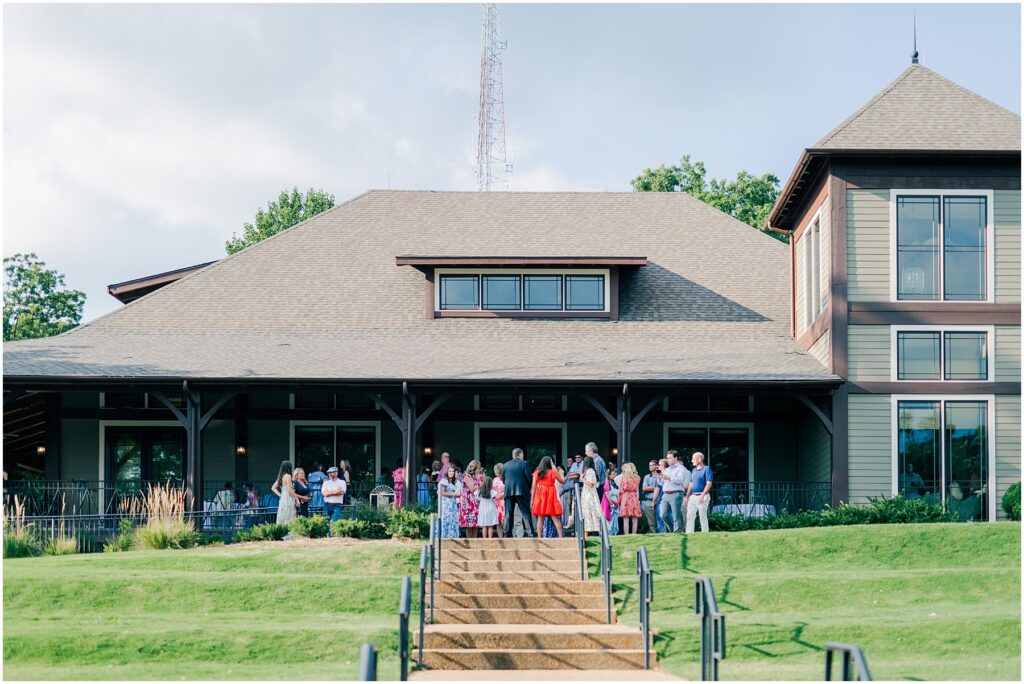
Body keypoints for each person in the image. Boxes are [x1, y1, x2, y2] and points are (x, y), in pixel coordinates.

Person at [502, 448, 536, 538]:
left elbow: (503, 480)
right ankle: (531, 534)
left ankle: (507, 534)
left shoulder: (505, 465)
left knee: (508, 514)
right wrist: (528, 489)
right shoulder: (525, 463)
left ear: (513, 455)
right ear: (520, 454)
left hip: (508, 492)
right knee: (526, 513)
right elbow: (529, 478)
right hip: (522, 491)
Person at [531, 456, 565, 537]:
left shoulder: (537, 473)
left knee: (540, 517)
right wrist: (561, 473)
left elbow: (534, 487)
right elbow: (562, 482)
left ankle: (539, 537)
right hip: (550, 495)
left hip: (540, 496)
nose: (552, 462)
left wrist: (532, 500)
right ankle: (561, 537)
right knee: (555, 517)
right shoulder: (553, 472)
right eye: (551, 461)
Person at [659, 450, 690, 533]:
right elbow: (662, 483)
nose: (668, 460)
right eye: (667, 458)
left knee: (676, 516)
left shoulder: (681, 468)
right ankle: (672, 529)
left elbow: (680, 480)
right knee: (663, 515)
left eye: (670, 458)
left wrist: (668, 478)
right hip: (665, 494)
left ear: (675, 458)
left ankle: (677, 532)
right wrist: (660, 478)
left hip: (676, 493)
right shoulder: (667, 469)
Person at [685, 452, 713, 534]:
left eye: (693, 459)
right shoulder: (693, 470)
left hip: (703, 495)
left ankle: (705, 533)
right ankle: (689, 533)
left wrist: (703, 495)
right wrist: (687, 497)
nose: (691, 460)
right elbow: (691, 484)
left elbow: (709, 484)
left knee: (702, 516)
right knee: (689, 516)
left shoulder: (706, 469)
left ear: (699, 459)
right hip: (693, 496)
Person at [459, 460, 483, 538]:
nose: (479, 469)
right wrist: (481, 486)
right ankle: (470, 540)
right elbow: (472, 488)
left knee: (475, 523)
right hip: (468, 502)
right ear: (474, 468)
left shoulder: (478, 477)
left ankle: (475, 540)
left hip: (476, 501)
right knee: (469, 523)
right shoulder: (467, 476)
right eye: (478, 468)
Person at [579, 456, 602, 535]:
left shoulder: (590, 471)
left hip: (589, 495)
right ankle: (587, 534)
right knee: (589, 513)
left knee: (590, 513)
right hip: (589, 494)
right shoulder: (592, 471)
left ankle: (592, 533)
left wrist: (582, 479)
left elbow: (591, 484)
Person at [271, 460, 299, 525]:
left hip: (283, 499)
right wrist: (297, 499)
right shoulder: (288, 476)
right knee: (290, 517)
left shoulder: (281, 477)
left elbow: (273, 488)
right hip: (288, 499)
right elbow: (290, 490)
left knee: (283, 516)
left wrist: (280, 495)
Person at [618, 463, 642, 535]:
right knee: (635, 518)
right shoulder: (637, 477)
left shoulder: (623, 478)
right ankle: (634, 534)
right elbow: (637, 488)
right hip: (634, 497)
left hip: (626, 497)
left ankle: (626, 535)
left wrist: (619, 501)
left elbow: (621, 490)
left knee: (626, 519)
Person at [439, 466, 461, 538]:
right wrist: (454, 495)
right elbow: (441, 492)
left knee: (453, 520)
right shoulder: (444, 481)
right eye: (450, 471)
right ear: (447, 472)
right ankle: (445, 536)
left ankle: (453, 536)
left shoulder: (453, 482)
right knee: (447, 520)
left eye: (453, 471)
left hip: (453, 504)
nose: (451, 473)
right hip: (446, 504)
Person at [641, 461, 660, 533]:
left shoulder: (660, 475)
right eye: (649, 465)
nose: (650, 466)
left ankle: (663, 534)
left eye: (652, 465)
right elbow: (644, 488)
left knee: (661, 519)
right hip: (649, 500)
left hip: (659, 500)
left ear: (657, 466)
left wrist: (653, 488)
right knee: (651, 521)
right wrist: (655, 488)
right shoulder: (647, 476)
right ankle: (653, 535)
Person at [492, 463, 506, 538]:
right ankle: (500, 538)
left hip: (503, 502)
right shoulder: (494, 479)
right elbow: (492, 490)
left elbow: (508, 489)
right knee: (498, 522)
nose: (495, 472)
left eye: (496, 470)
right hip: (496, 503)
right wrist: (495, 495)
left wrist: (502, 494)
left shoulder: (505, 478)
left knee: (503, 521)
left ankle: (506, 537)